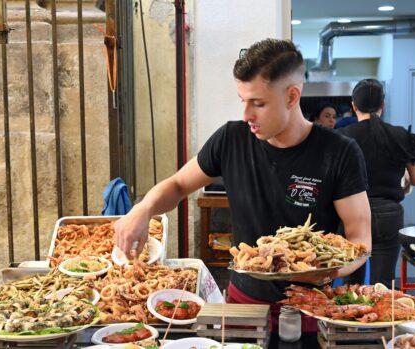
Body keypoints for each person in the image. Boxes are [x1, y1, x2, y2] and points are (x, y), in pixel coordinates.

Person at [114, 38, 371, 331]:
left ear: (291, 96)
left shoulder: (339, 152)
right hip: (243, 303)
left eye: (258, 103)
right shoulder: (231, 139)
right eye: (243, 101)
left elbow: (361, 239)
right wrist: (143, 209)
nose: (246, 115)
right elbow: (177, 185)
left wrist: (328, 272)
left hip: (311, 306)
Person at [338, 78, 415, 286]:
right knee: (383, 285)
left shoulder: (341, 137)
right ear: (383, 105)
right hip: (389, 215)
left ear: (353, 105)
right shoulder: (400, 136)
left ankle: (350, 317)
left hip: (351, 215)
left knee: (351, 282)